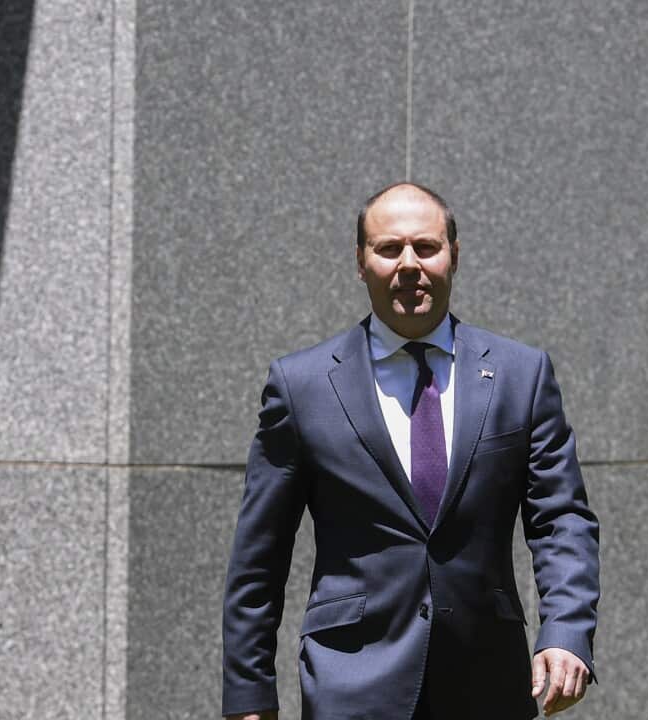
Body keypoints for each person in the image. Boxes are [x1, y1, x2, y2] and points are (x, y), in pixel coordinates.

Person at [220, 183, 599, 720]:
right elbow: (259, 554)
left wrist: (565, 631)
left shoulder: (522, 375)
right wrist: (248, 692)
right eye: (388, 248)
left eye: (426, 247)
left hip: (487, 685)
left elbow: (562, 520)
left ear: (454, 256)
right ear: (360, 262)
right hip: (350, 686)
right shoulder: (300, 385)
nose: (409, 264)